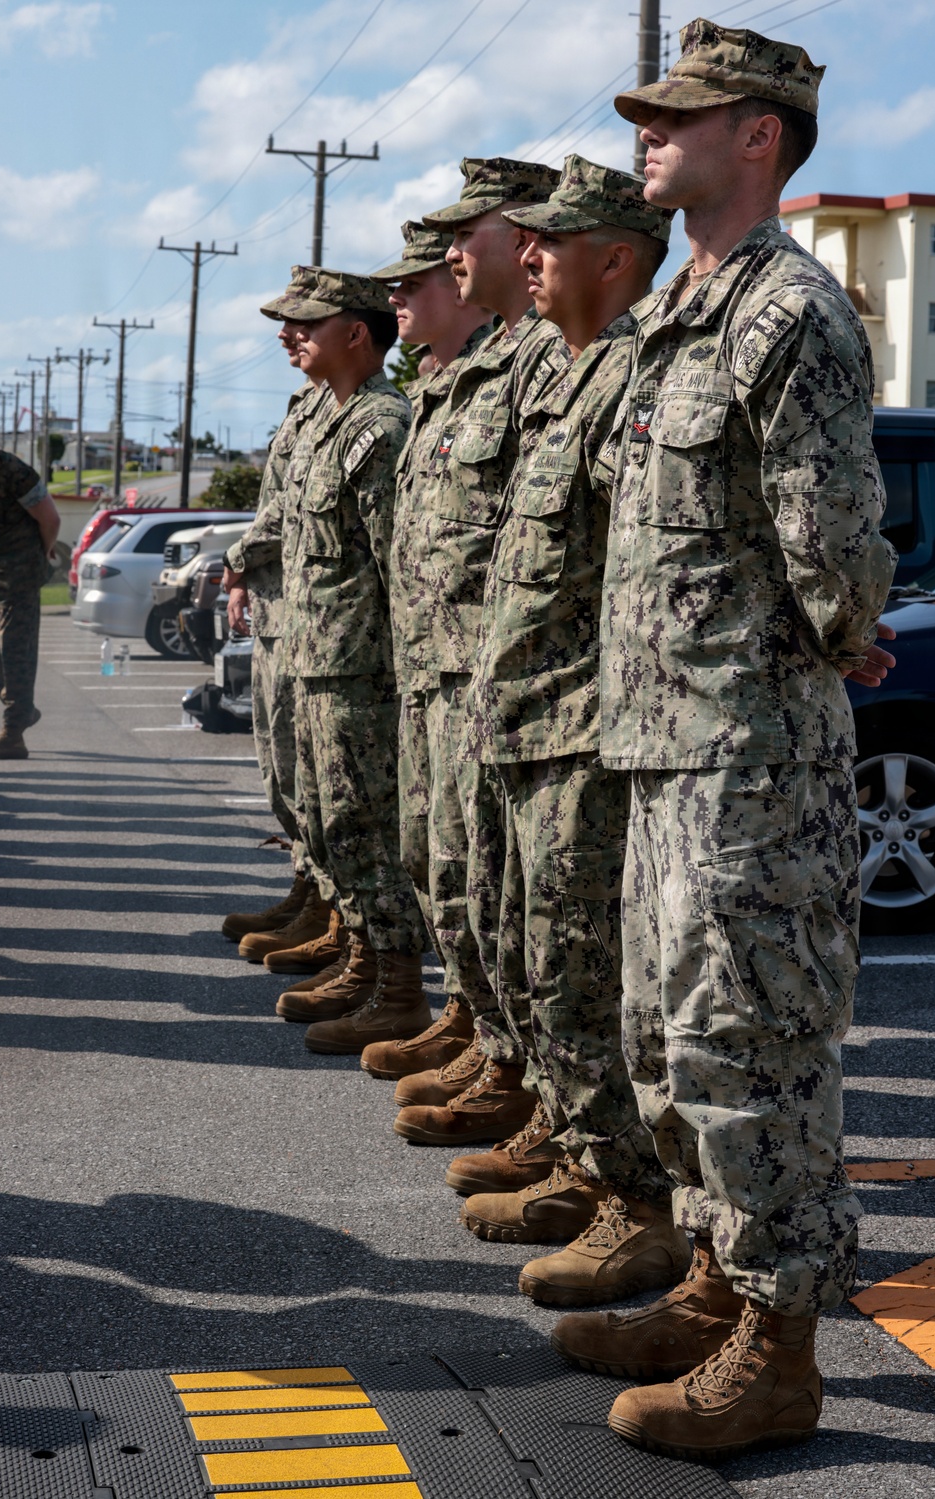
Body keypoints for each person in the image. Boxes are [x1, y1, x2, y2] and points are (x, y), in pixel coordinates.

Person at [549, 18, 898, 1463]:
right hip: (662, 740)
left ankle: (780, 1346)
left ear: (759, 135)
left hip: (749, 755)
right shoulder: (679, 313)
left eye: (677, 116)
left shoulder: (787, 313)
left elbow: (835, 538)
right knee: (668, 1041)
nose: (648, 133)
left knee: (749, 1042)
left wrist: (842, 627)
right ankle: (713, 1281)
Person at [451, 155, 692, 1312]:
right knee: (536, 959)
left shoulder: (631, 373)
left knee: (582, 974)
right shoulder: (565, 371)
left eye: (551, 239)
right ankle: (577, 1155)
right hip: (528, 722)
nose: (528, 253)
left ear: (616, 256)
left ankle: (634, 1205)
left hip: (585, 735)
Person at [385, 157, 573, 1151]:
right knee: (457, 874)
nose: (453, 252)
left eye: (469, 232)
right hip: (448, 665)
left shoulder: (551, 357)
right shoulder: (482, 366)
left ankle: (525, 1075)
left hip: (507, 679)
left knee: (513, 898)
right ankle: (488, 1037)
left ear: (527, 230)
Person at [226, 267, 430, 1054]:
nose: (290, 334)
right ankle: (364, 963)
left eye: (307, 323)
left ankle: (397, 988)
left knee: (367, 828)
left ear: (356, 333)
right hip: (318, 655)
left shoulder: (380, 425)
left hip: (362, 670)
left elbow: (396, 567)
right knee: (332, 823)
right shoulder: (331, 419)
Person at [356, 220, 493, 1084]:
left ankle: (497, 1045)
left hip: (477, 677)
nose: (398, 297)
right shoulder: (437, 390)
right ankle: (465, 1015)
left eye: (416, 281)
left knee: (482, 877)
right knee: (434, 859)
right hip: (425, 667)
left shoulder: (503, 380)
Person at [221, 305, 342, 967]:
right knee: (282, 773)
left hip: (315, 626)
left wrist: (237, 555)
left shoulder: (360, 413)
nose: (285, 334)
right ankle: (306, 890)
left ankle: (328, 907)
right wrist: (245, 574)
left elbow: (289, 515)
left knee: (311, 780)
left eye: (303, 321)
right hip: (281, 613)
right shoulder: (307, 405)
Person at [0, 404, 61, 759]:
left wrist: (42, 554)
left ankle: (13, 733)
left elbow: (51, 519)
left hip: (21, 574)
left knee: (14, 650)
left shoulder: (13, 471)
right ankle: (23, 710)